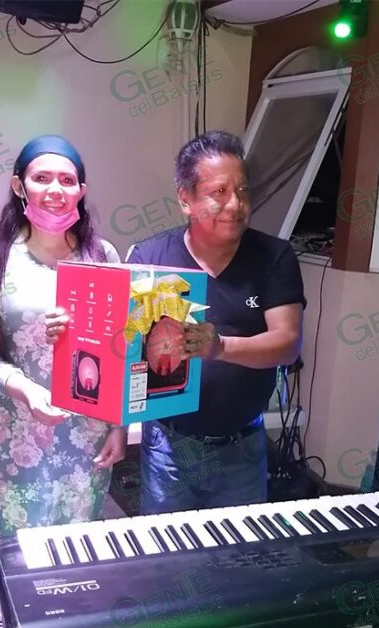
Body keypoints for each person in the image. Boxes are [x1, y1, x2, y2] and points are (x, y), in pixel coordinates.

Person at [0, 134, 127, 548]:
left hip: (84, 433)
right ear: (19, 186)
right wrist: (25, 388)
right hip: (10, 429)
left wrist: (120, 427)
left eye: (67, 181)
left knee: (76, 545)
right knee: (17, 549)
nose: (55, 190)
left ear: (81, 191)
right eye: (42, 178)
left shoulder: (102, 256)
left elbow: (121, 353)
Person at [127, 130, 305, 514]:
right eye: (219, 192)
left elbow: (287, 344)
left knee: (237, 547)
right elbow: (127, 350)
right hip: (169, 446)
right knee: (165, 545)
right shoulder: (151, 258)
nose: (235, 204)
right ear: (185, 199)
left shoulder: (273, 257)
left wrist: (220, 347)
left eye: (242, 190)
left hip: (242, 446)